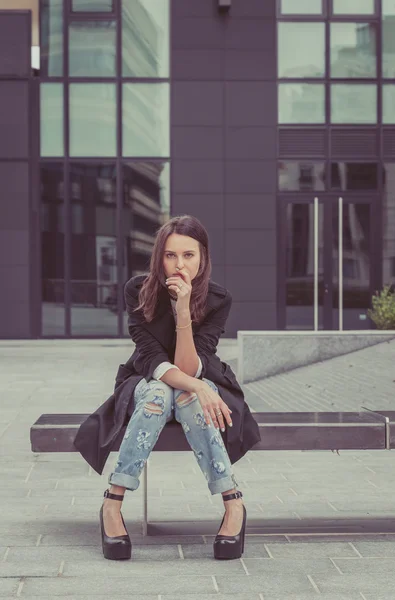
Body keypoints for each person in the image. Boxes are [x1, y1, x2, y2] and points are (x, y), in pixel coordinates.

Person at [74, 215, 261, 561]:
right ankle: (113, 505)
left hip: (197, 380)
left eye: (188, 255)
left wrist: (184, 311)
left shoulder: (219, 299)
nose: (179, 265)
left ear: (203, 257)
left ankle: (233, 505)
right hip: (148, 380)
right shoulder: (138, 290)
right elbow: (153, 359)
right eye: (171, 255)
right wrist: (197, 386)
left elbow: (191, 365)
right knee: (166, 393)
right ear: (159, 256)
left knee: (189, 398)